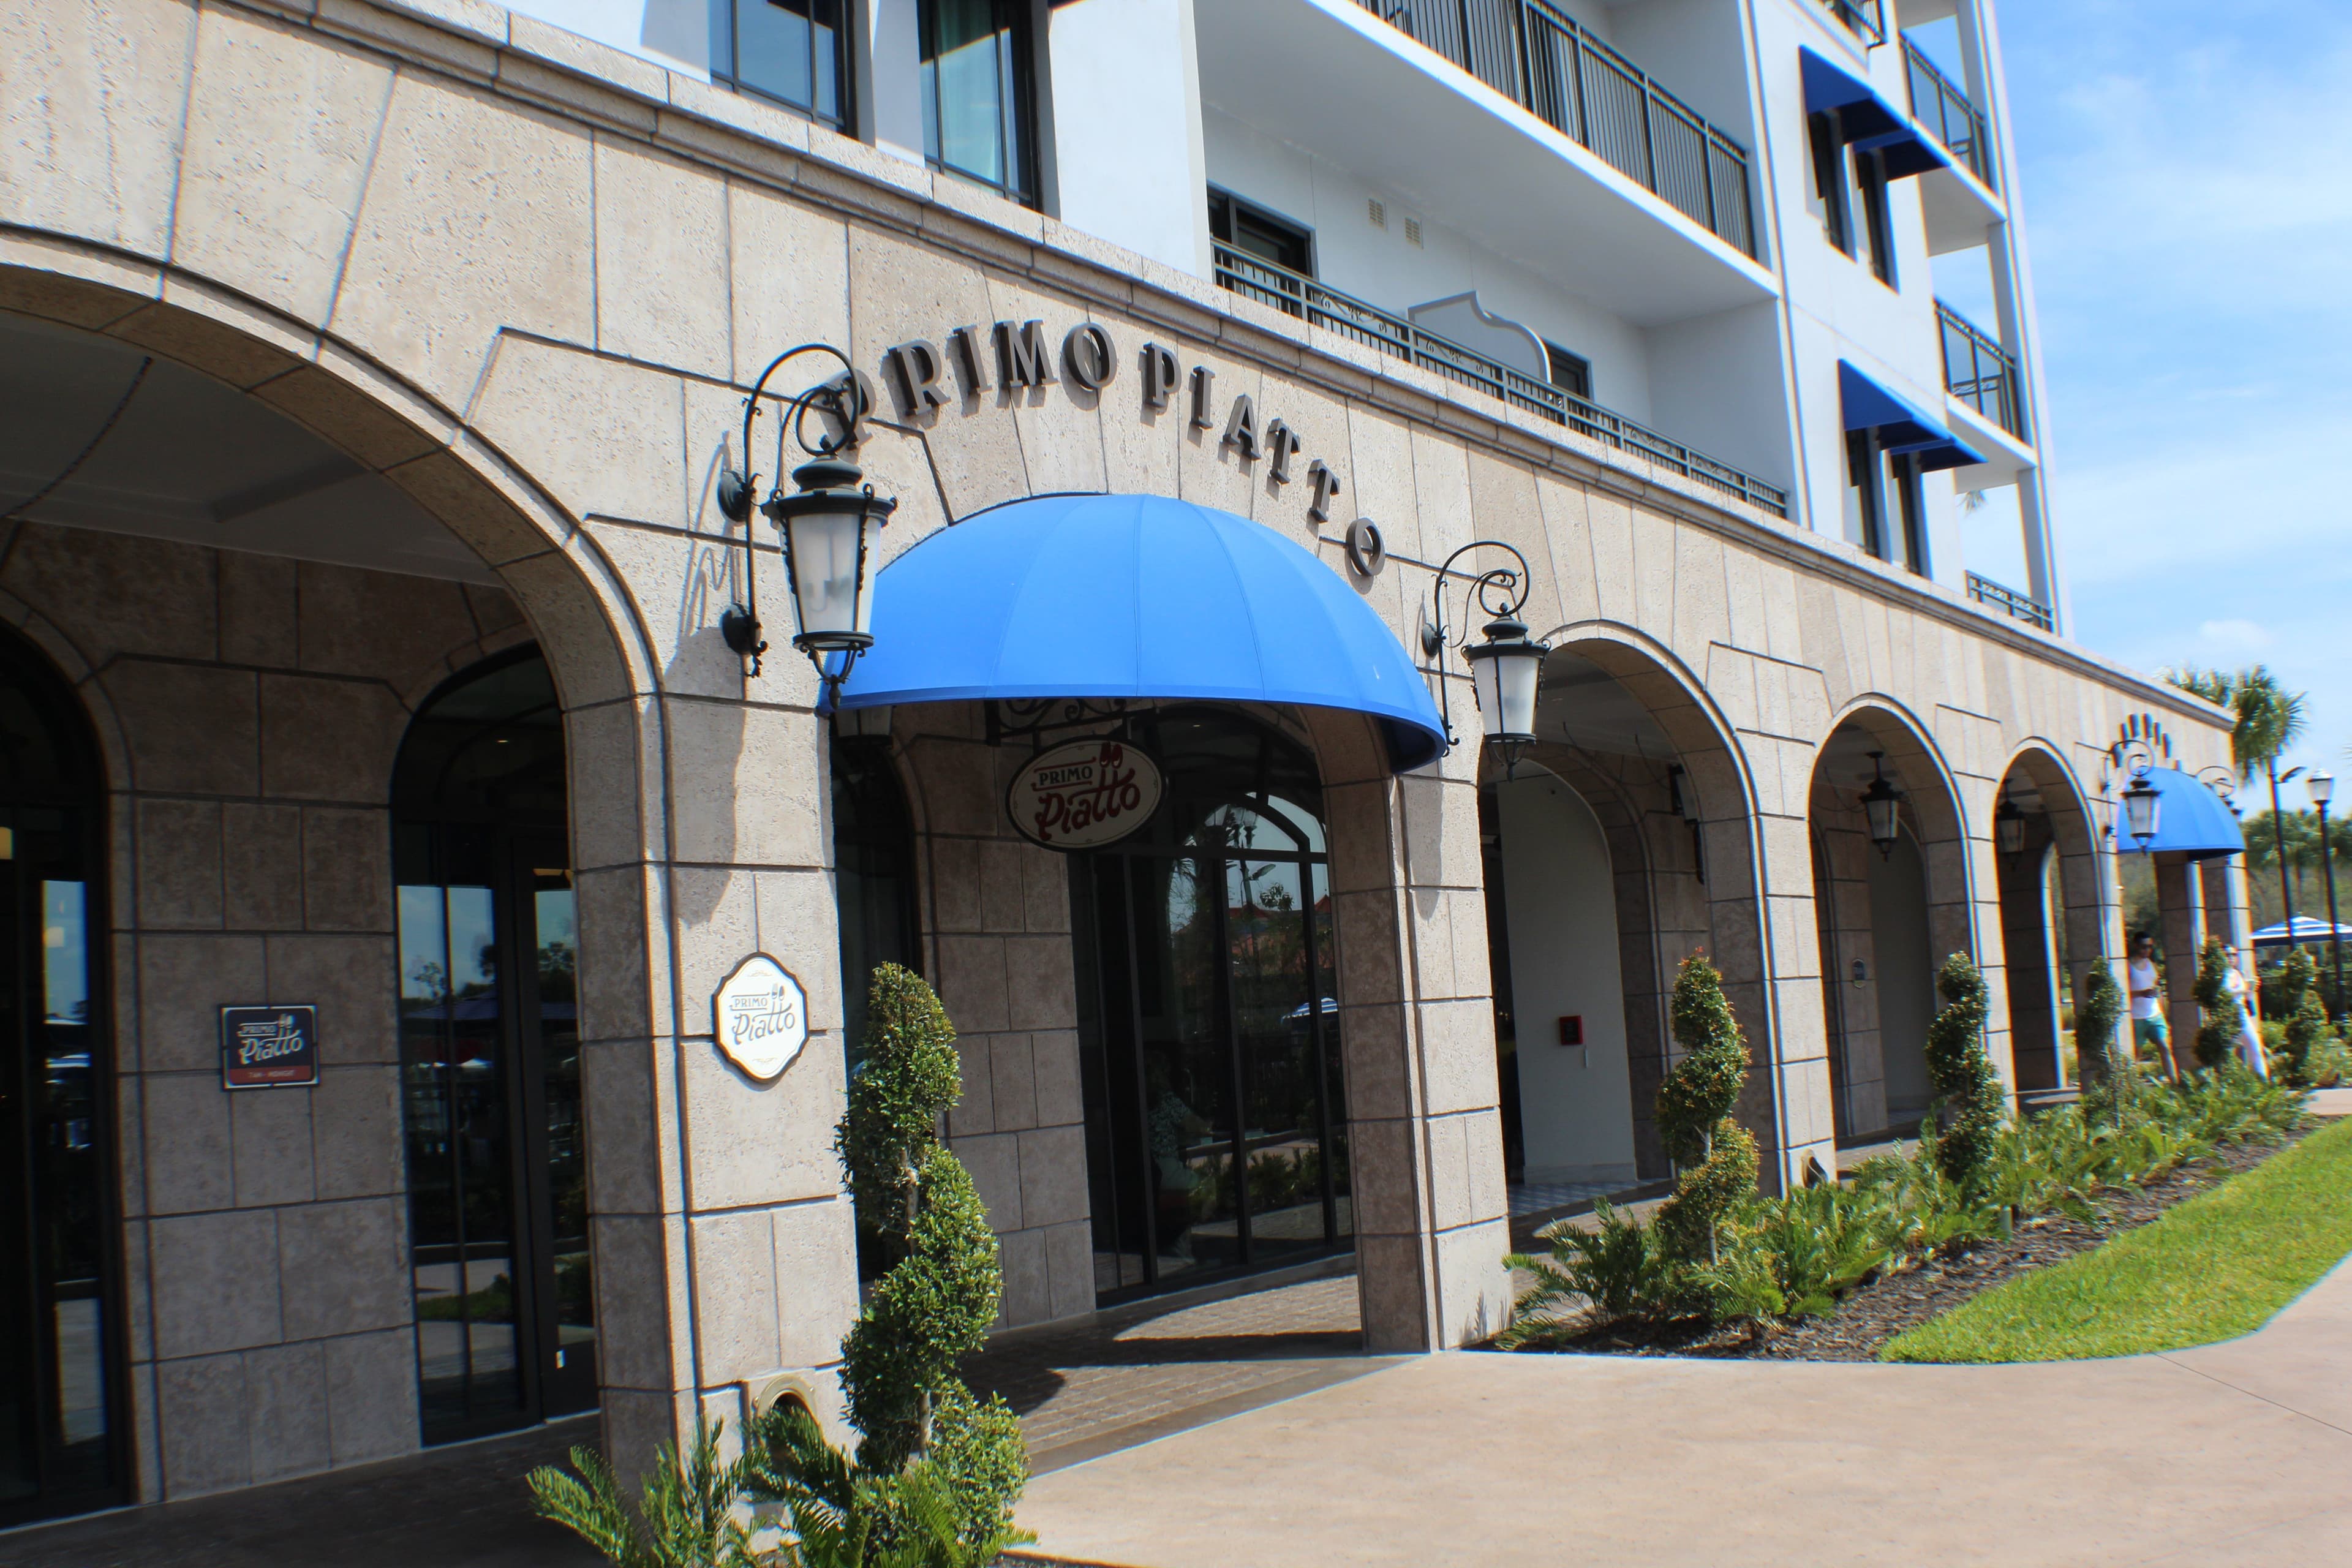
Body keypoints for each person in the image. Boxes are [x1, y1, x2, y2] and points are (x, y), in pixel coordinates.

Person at [2126, 932, 2171, 1075]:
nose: (2147, 950)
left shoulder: (2152, 964)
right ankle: (2132, 1087)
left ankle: (2176, 1085)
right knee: (2135, 1056)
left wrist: (2164, 1012)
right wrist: (2141, 993)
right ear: (2136, 946)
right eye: (2144, 947)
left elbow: (2157, 987)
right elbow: (2123, 993)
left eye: (2150, 947)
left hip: (2155, 1014)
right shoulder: (2128, 966)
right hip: (2136, 1018)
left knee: (2165, 1048)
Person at [2223, 957, 2270, 1078]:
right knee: (2226, 1053)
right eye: (2227, 954)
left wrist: (2252, 990)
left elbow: (2247, 998)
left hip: (2241, 1013)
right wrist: (2244, 990)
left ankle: (2261, 1081)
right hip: (2226, 1015)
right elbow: (2225, 993)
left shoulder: (2238, 974)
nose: (2230, 958)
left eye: (2233, 954)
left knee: (2255, 1047)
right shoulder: (2220, 975)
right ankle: (2227, 1085)